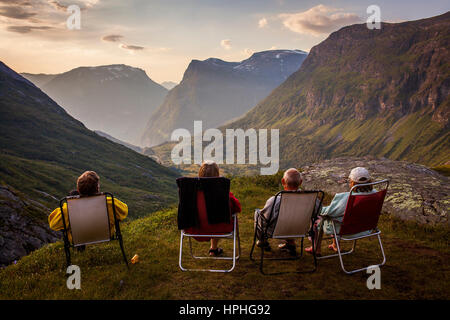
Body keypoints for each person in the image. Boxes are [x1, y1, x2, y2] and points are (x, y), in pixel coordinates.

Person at [305, 167, 376, 256]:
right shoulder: (375, 194)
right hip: (366, 228)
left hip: (347, 230)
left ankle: (316, 248)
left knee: (317, 218)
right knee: (339, 217)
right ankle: (335, 245)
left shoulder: (347, 198)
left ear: (352, 182)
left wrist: (319, 207)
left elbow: (327, 212)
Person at [48, 171, 128, 243]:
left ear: (78, 190)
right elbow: (124, 211)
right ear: (97, 188)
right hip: (106, 235)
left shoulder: (68, 208)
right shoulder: (109, 202)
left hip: (77, 239)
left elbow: (53, 224)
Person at [195, 160, 241, 256]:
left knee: (212, 217)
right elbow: (237, 207)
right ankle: (214, 248)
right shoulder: (223, 193)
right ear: (217, 174)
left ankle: (213, 249)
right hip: (219, 227)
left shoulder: (192, 193)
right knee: (218, 217)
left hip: (196, 227)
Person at [254, 168, 304, 256]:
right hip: (300, 230)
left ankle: (263, 242)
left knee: (258, 214)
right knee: (292, 219)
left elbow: (266, 217)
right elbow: (318, 212)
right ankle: (290, 244)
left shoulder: (275, 200)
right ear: (300, 182)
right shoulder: (310, 199)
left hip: (276, 231)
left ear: (283, 181)